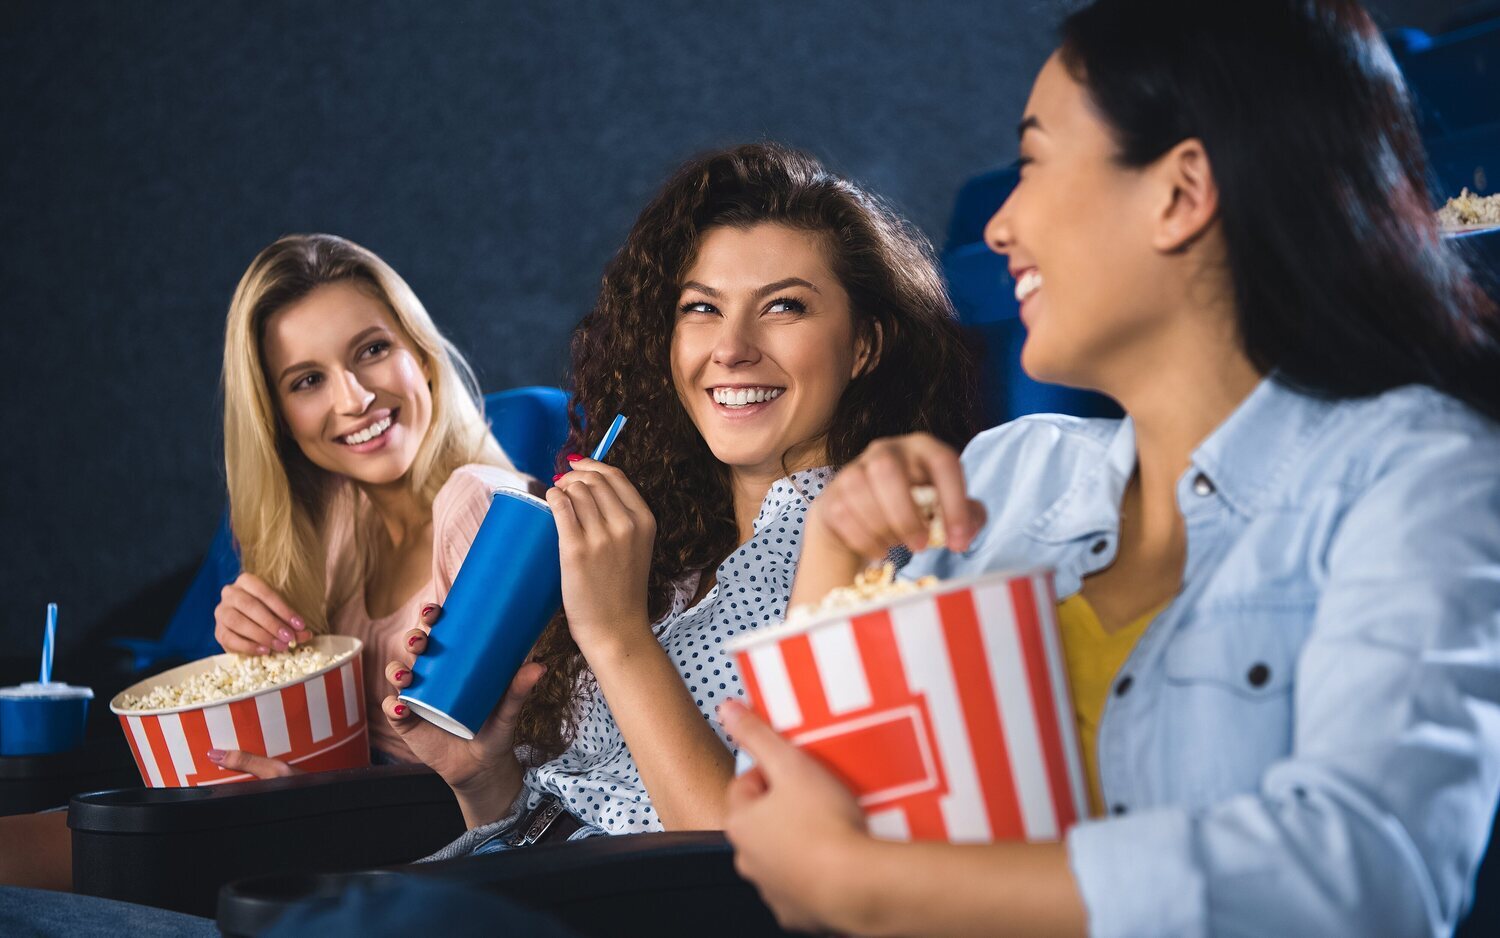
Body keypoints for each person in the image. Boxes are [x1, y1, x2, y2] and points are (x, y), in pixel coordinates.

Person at [722, 2, 1500, 935]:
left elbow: (1370, 881)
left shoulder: (1417, 476)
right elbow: (785, 845)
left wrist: (873, 887)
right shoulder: (1005, 475)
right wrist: (835, 557)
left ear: (1180, 193)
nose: (999, 226)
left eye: (1034, 161)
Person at [383, 143, 977, 852]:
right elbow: (580, 806)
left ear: (865, 346)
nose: (730, 348)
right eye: (702, 308)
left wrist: (618, 635)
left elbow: (764, 865)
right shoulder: (667, 538)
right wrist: (480, 779)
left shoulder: (875, 560)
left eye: (784, 306)